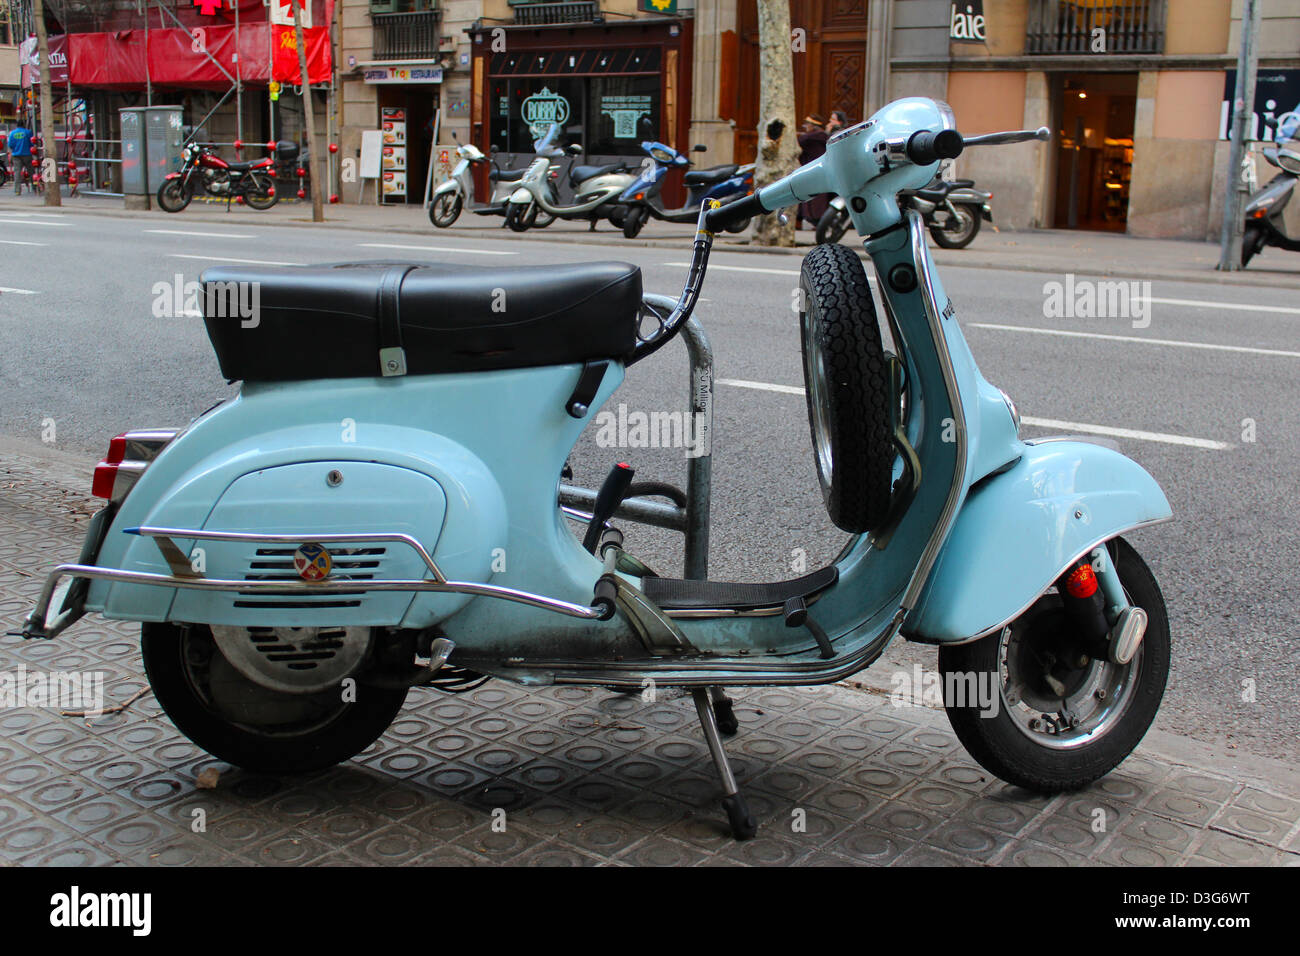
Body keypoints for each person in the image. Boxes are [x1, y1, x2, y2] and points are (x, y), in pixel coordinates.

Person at [796, 113, 829, 228]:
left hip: (813, 170)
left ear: (814, 126)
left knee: (814, 199)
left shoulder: (814, 137)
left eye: (808, 124)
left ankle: (817, 222)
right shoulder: (819, 136)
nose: (806, 126)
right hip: (816, 170)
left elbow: (801, 140)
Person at [7, 120, 33, 195]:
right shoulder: (28, 132)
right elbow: (32, 143)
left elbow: (10, 145)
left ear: (17, 125)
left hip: (16, 155)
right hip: (27, 154)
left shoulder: (12, 133)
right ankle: (35, 187)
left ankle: (17, 191)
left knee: (17, 173)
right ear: (24, 125)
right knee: (31, 172)